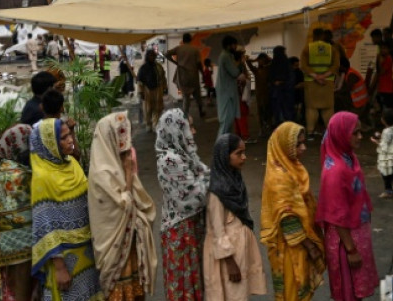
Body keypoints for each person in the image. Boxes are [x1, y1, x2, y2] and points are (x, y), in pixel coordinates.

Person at [30, 113, 104, 301]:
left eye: (69, 134)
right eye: (63, 137)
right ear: (48, 143)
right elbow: (45, 224)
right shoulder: (43, 177)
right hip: (65, 258)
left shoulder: (72, 164)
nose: (70, 140)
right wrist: (59, 267)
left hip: (88, 251)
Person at [88, 112, 158, 300]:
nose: (127, 145)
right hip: (115, 247)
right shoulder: (103, 173)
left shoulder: (114, 164)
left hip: (129, 244)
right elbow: (126, 204)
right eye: (122, 138)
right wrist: (128, 171)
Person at [316, 112, 379, 301]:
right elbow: (335, 215)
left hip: (356, 235)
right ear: (341, 134)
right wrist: (351, 250)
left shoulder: (348, 158)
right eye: (355, 133)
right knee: (348, 292)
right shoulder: (336, 171)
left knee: (355, 291)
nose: (360, 137)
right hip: (345, 241)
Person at [260, 122, 325, 301]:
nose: (303, 148)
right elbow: (288, 218)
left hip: (300, 243)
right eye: (298, 144)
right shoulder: (280, 177)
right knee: (293, 291)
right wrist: (311, 246)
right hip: (289, 247)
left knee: (300, 290)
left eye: (304, 143)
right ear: (284, 146)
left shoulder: (292, 167)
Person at [155, 109, 210, 301]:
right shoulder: (170, 160)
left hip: (190, 228)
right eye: (189, 127)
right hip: (180, 232)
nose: (193, 132)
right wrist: (207, 178)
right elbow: (196, 197)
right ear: (175, 130)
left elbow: (203, 176)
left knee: (194, 284)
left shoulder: (185, 155)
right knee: (184, 287)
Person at [203, 134, 267, 301]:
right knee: (232, 295)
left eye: (244, 152)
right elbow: (217, 231)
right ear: (225, 156)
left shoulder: (235, 180)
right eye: (238, 153)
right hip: (227, 258)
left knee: (239, 294)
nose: (244, 157)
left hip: (239, 252)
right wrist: (231, 263)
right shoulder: (217, 192)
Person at [0, 124, 35, 301]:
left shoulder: (4, 169)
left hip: (6, 242)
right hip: (20, 244)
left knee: (13, 288)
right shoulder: (20, 174)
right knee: (23, 289)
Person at [300, 29, 339, 136]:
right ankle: (330, 132)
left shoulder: (307, 48)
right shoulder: (332, 49)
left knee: (311, 109)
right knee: (328, 108)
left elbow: (304, 66)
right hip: (327, 82)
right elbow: (335, 66)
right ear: (323, 35)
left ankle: (310, 132)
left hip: (311, 83)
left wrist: (316, 77)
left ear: (314, 35)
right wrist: (324, 76)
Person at [166, 33, 206, 119]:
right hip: (193, 75)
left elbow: (166, 54)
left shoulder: (179, 48)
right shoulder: (195, 50)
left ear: (183, 40)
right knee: (197, 96)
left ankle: (185, 115)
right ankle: (201, 112)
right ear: (191, 40)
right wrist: (203, 73)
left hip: (182, 75)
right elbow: (199, 63)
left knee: (185, 97)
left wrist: (175, 62)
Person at [216, 36, 245, 137]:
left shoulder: (226, 55)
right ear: (229, 45)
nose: (235, 47)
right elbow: (235, 72)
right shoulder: (226, 56)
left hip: (226, 92)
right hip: (227, 93)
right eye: (234, 45)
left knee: (228, 121)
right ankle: (220, 147)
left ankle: (224, 145)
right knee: (226, 121)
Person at [371, 109, 393, 198]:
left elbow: (383, 145)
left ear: (384, 120)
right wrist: (381, 136)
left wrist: (375, 141)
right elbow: (388, 138)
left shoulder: (386, 131)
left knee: (385, 173)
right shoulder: (392, 128)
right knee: (391, 172)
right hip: (392, 154)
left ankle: (388, 191)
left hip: (387, 155)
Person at [137, 49, 166, 132]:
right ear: (147, 56)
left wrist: (164, 88)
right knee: (147, 109)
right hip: (147, 91)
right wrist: (140, 92)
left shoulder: (158, 67)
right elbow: (140, 81)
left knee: (158, 108)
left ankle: (156, 124)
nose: (152, 57)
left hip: (158, 90)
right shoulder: (143, 68)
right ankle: (148, 124)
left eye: (153, 55)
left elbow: (163, 78)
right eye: (150, 55)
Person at [268, 46, 295, 126]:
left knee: (278, 111)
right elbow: (291, 77)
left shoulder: (273, 63)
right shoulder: (287, 63)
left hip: (276, 91)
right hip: (287, 91)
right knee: (287, 111)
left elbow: (270, 77)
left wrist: (275, 82)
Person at [246, 53, 272, 136]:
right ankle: (262, 128)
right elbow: (248, 63)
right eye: (259, 60)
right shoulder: (257, 70)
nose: (260, 62)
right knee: (260, 111)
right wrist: (254, 60)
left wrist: (268, 59)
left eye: (262, 60)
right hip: (259, 94)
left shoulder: (269, 69)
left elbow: (273, 62)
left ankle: (268, 126)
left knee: (268, 110)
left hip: (267, 93)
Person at [233, 49, 253, 143]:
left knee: (236, 116)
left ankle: (238, 135)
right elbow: (244, 79)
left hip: (233, 96)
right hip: (240, 95)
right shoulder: (239, 67)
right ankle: (245, 136)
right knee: (242, 115)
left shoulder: (231, 67)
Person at [370, 43, 393, 114]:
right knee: (379, 104)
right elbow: (377, 71)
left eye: (385, 48)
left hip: (386, 88)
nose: (382, 50)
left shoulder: (388, 59)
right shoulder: (382, 58)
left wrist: (379, 61)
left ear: (388, 50)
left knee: (385, 108)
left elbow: (381, 72)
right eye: (381, 48)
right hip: (382, 87)